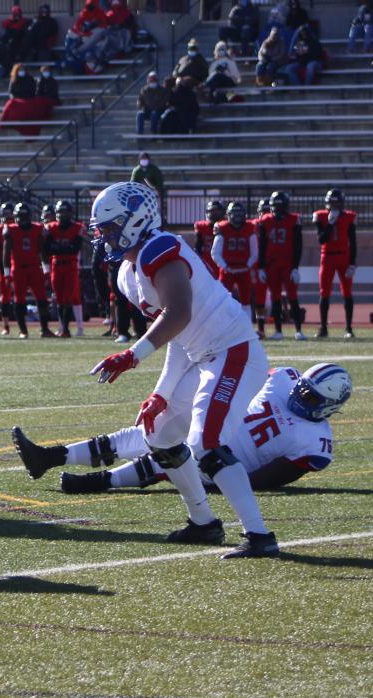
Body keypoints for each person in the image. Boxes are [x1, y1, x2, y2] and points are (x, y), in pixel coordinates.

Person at [84, 181, 279, 557]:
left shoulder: (159, 248)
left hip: (232, 352)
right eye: (102, 229)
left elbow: (180, 314)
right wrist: (161, 392)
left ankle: (259, 536)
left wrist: (133, 354)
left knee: (206, 443)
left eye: (110, 227)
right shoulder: (128, 272)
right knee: (158, 432)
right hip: (202, 355)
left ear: (136, 220)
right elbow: (180, 335)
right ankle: (204, 523)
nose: (104, 236)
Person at [16, 363, 349, 494]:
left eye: (310, 397)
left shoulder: (316, 443)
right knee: (148, 432)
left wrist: (225, 480)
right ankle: (50, 456)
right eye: (302, 390)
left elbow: (271, 478)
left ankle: (98, 481)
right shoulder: (284, 378)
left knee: (168, 459)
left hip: (226, 458)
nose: (300, 397)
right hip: (212, 425)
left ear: (329, 406)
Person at [0, 203, 53, 338]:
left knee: (42, 299)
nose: (22, 219)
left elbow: (43, 251)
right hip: (18, 269)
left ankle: (44, 329)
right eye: (20, 216)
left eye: (24, 216)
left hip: (34, 268)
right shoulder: (10, 229)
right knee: (19, 300)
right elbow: (5, 254)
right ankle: (23, 330)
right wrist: (6, 274)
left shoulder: (37, 229)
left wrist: (46, 270)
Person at [257, 192, 304, 339]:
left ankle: (298, 330)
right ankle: (278, 331)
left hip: (288, 264)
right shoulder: (265, 221)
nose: (277, 210)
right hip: (272, 265)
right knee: (276, 298)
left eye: (280, 207)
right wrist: (261, 267)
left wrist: (295, 267)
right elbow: (262, 245)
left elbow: (298, 245)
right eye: (275, 207)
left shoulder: (293, 220)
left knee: (292, 297)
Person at [314, 189, 357, 338]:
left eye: (337, 203)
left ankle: (349, 328)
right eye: (333, 203)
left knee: (347, 292)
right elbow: (321, 239)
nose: (335, 205)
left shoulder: (348, 217)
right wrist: (330, 224)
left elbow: (353, 241)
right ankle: (323, 327)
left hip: (344, 257)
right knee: (324, 292)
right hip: (327, 257)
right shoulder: (321, 216)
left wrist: (352, 263)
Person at [43, 198, 85, 337]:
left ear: (70, 213)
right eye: (60, 211)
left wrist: (58, 247)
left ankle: (65, 329)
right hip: (56, 266)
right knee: (59, 300)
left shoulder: (77, 227)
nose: (62, 214)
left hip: (70, 266)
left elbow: (75, 249)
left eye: (65, 212)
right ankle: (63, 328)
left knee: (67, 299)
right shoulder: (51, 227)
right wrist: (64, 248)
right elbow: (47, 249)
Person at [212, 202, 257, 318]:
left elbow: (255, 252)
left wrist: (247, 265)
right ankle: (223, 326)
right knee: (222, 300)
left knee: (246, 301)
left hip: (243, 269)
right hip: (227, 270)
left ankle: (247, 328)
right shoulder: (222, 228)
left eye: (239, 213)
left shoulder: (249, 228)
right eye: (234, 213)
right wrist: (225, 266)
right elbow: (215, 252)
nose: (237, 216)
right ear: (228, 215)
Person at [0, 202, 15, 335]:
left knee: (20, 297)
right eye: (5, 214)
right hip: (5, 268)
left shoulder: (20, 228)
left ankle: (23, 326)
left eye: (9, 214)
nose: (7, 217)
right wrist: (1, 269)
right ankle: (6, 325)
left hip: (19, 266)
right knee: (5, 297)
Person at [194, 200, 226, 279]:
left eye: (217, 212)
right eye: (212, 212)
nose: (215, 215)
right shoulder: (202, 227)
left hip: (224, 260)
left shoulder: (227, 227)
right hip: (207, 260)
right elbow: (198, 247)